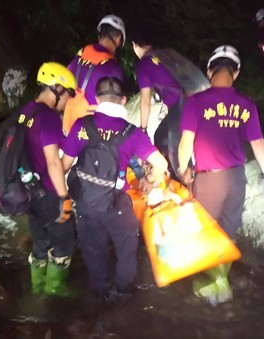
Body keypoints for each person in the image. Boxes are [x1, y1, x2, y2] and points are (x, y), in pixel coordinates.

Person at [177, 45, 264, 306]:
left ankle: (213, 284)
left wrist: (183, 169)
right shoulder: (246, 105)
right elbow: (258, 144)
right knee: (228, 233)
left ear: (209, 71)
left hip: (209, 179)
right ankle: (219, 283)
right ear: (237, 72)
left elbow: (186, 142)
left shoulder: (196, 102)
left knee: (203, 232)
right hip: (236, 179)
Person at [62, 77, 168, 303]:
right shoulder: (131, 133)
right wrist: (149, 180)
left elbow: (63, 166)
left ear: (97, 98)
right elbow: (161, 164)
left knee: (93, 250)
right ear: (123, 100)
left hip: (86, 204)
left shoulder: (82, 126)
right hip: (118, 204)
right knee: (126, 250)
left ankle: (100, 293)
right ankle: (123, 292)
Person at [23, 62, 77, 297]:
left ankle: (37, 290)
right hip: (47, 191)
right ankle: (55, 289)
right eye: (69, 94)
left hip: (28, 192)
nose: (68, 101)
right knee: (65, 242)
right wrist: (64, 197)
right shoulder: (48, 117)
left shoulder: (26, 111)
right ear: (58, 89)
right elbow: (54, 162)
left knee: (41, 242)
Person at [131, 28, 184, 175]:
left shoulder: (144, 65)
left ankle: (178, 180)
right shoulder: (165, 56)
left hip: (179, 106)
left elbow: (145, 100)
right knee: (162, 136)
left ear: (135, 45)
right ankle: (167, 173)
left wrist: (143, 128)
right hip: (191, 101)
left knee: (171, 146)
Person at [63, 14, 126, 135]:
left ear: (100, 35)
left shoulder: (82, 52)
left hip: (69, 120)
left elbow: (65, 77)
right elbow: (115, 105)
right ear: (118, 39)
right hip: (91, 130)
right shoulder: (112, 66)